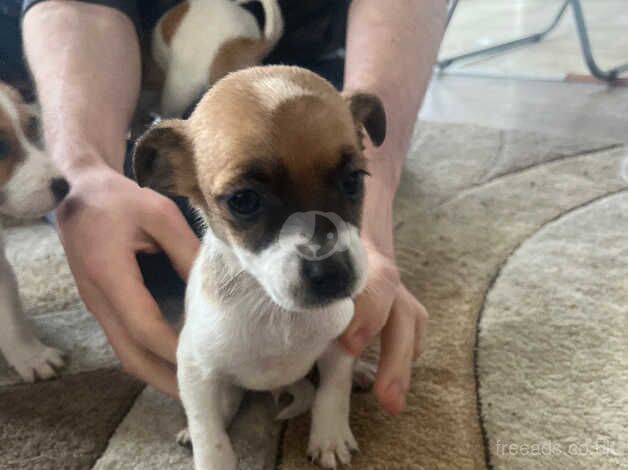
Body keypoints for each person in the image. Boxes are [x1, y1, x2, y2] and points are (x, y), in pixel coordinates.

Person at [18, 0, 445, 415]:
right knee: (145, 258)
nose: (320, 253)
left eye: (351, 182)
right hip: (136, 83)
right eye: (246, 201)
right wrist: (85, 168)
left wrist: (375, 192)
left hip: (319, 66)